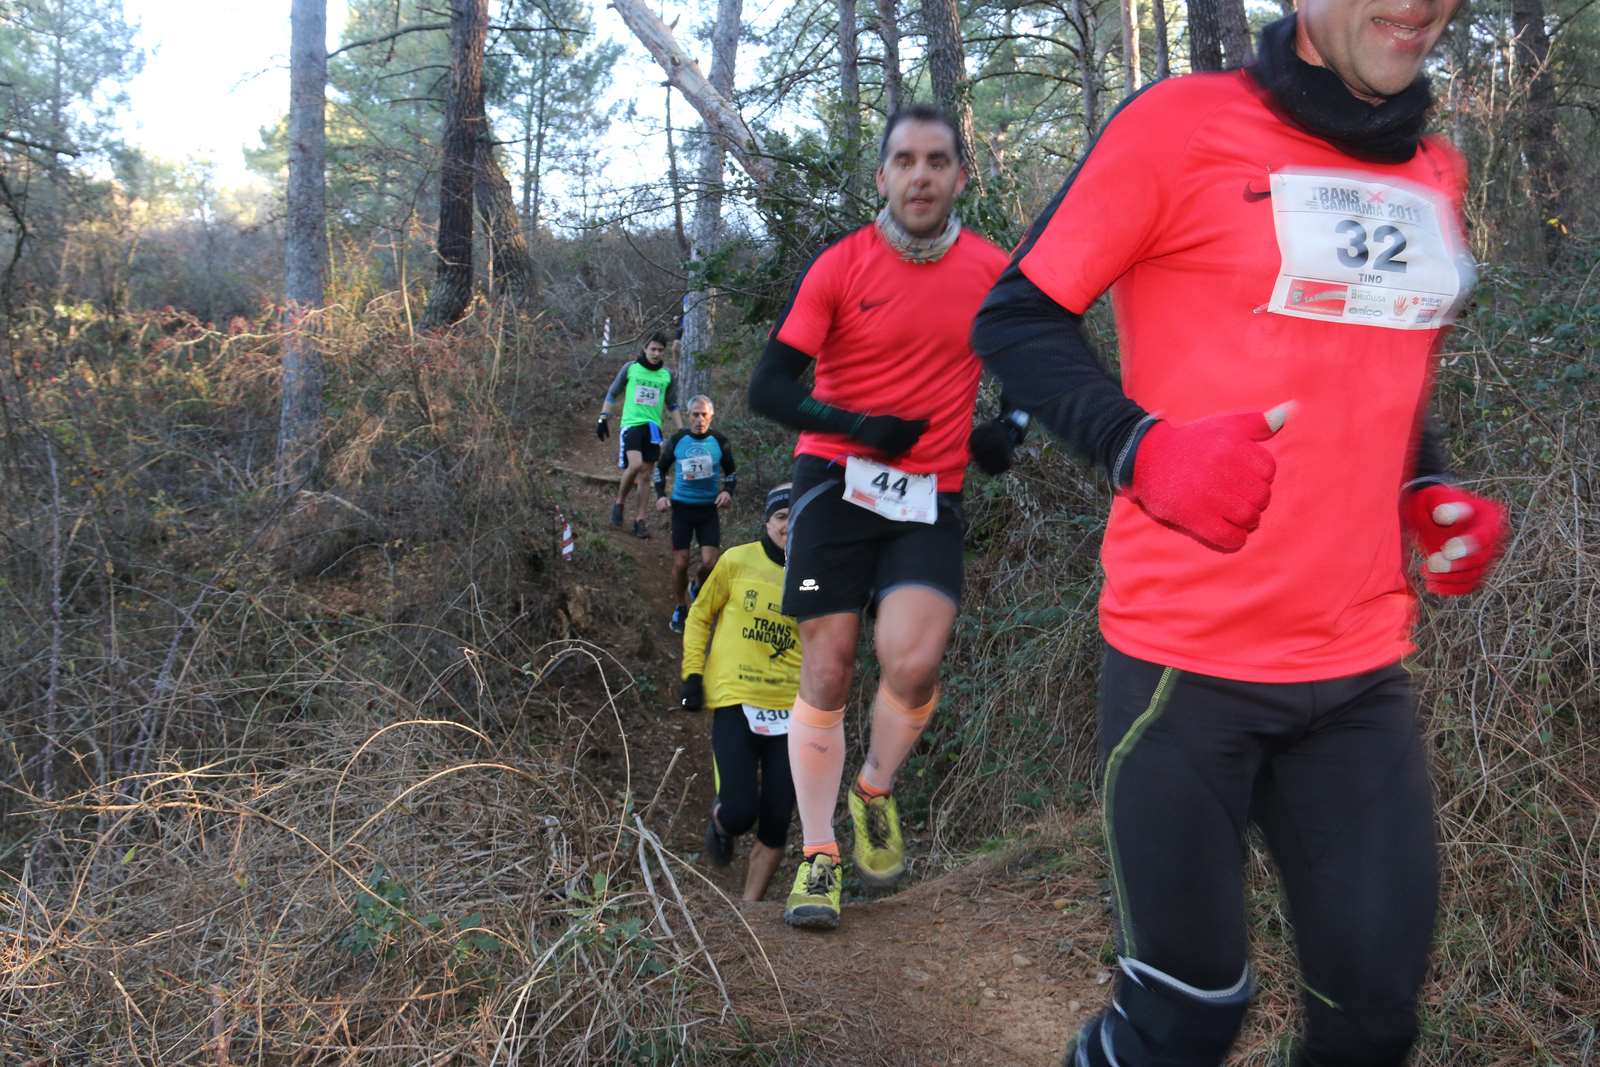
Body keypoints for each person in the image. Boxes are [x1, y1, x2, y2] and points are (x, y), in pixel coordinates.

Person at [971, 2, 1508, 1063]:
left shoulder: (1435, 169)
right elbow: (1016, 315)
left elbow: (1373, 359)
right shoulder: (1179, 125)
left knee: (1373, 1025)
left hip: (1358, 673)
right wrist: (1141, 447)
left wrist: (1426, 484)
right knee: (1183, 1017)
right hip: (1184, 671)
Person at [747, 104, 1010, 929]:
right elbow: (767, 389)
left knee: (915, 658)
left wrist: (1016, 426)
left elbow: (1046, 350)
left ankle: (874, 787)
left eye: (937, 161)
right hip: (834, 476)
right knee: (828, 665)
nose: (921, 175)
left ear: (960, 175)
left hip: (929, 492)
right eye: (905, 161)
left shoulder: (992, 270)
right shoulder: (840, 266)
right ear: (883, 177)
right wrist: (859, 426)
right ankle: (819, 854)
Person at [679, 485, 800, 901]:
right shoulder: (736, 561)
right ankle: (722, 822)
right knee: (740, 810)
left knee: (777, 817)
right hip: (735, 697)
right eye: (782, 515)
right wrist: (692, 675)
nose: (789, 524)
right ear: (767, 521)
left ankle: (750, 914)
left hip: (792, 708)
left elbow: (828, 642)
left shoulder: (815, 574)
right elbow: (699, 616)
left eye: (798, 515)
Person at [655, 395, 737, 632]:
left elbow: (731, 473)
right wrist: (661, 495)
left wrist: (727, 491)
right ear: (688, 415)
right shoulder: (679, 440)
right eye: (694, 414)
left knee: (710, 562)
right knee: (680, 562)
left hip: (708, 510)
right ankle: (681, 607)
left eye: (704, 414)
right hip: (682, 508)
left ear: (711, 416)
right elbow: (660, 469)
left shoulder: (720, 442)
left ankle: (696, 584)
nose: (699, 419)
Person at [596, 333, 682, 538]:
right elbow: (612, 393)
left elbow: (672, 405)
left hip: (653, 427)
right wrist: (602, 417)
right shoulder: (631, 368)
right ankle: (619, 503)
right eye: (652, 349)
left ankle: (640, 520)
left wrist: (681, 429)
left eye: (660, 350)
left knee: (645, 476)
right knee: (634, 465)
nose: (656, 353)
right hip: (632, 425)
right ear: (645, 348)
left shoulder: (666, 375)